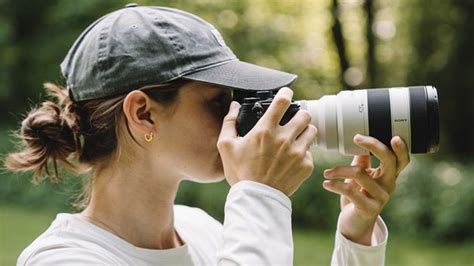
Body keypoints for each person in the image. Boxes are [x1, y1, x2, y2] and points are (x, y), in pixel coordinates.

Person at [5, 4, 410, 266]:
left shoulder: (201, 229)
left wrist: (356, 237)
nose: (239, 117)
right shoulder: (63, 259)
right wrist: (259, 194)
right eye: (219, 102)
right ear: (143, 114)